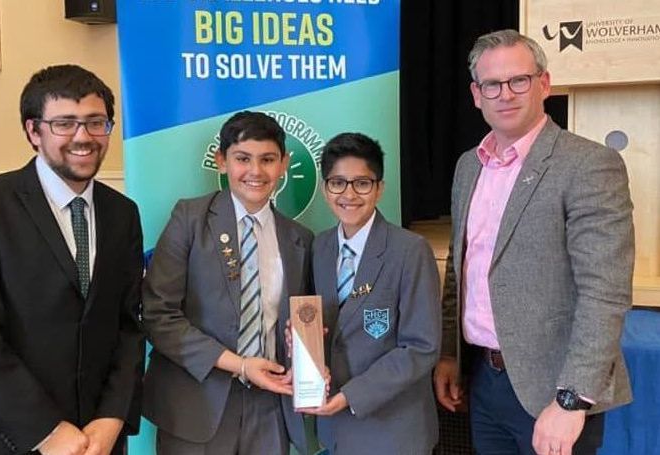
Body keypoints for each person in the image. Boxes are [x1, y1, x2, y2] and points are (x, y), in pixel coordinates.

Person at [433, 29, 634, 455]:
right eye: (492, 84)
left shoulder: (588, 164)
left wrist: (572, 399)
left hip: (554, 390)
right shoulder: (468, 166)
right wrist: (450, 354)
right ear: (476, 94)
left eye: (518, 80)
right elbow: (459, 269)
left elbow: (605, 292)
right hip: (483, 381)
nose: (505, 94)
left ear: (544, 83)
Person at [0, 64, 145, 455]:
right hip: (1, 437)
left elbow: (129, 326)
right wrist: (47, 432)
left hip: (95, 440)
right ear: (33, 131)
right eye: (64, 123)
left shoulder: (123, 213)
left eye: (96, 122)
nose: (83, 137)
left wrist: (112, 418)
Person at [141, 111, 313, 454]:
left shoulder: (301, 239)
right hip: (195, 404)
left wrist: (305, 347)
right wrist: (240, 365)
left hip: (270, 407)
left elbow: (303, 322)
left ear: (283, 165)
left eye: (267, 159)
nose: (255, 171)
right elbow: (158, 315)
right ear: (222, 161)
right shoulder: (189, 219)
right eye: (242, 159)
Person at [301, 132, 441, 454]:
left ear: (379, 188)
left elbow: (421, 347)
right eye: (338, 183)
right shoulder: (319, 247)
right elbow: (316, 325)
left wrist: (351, 396)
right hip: (335, 430)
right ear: (324, 189)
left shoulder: (410, 250)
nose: (349, 194)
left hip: (392, 430)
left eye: (362, 183)